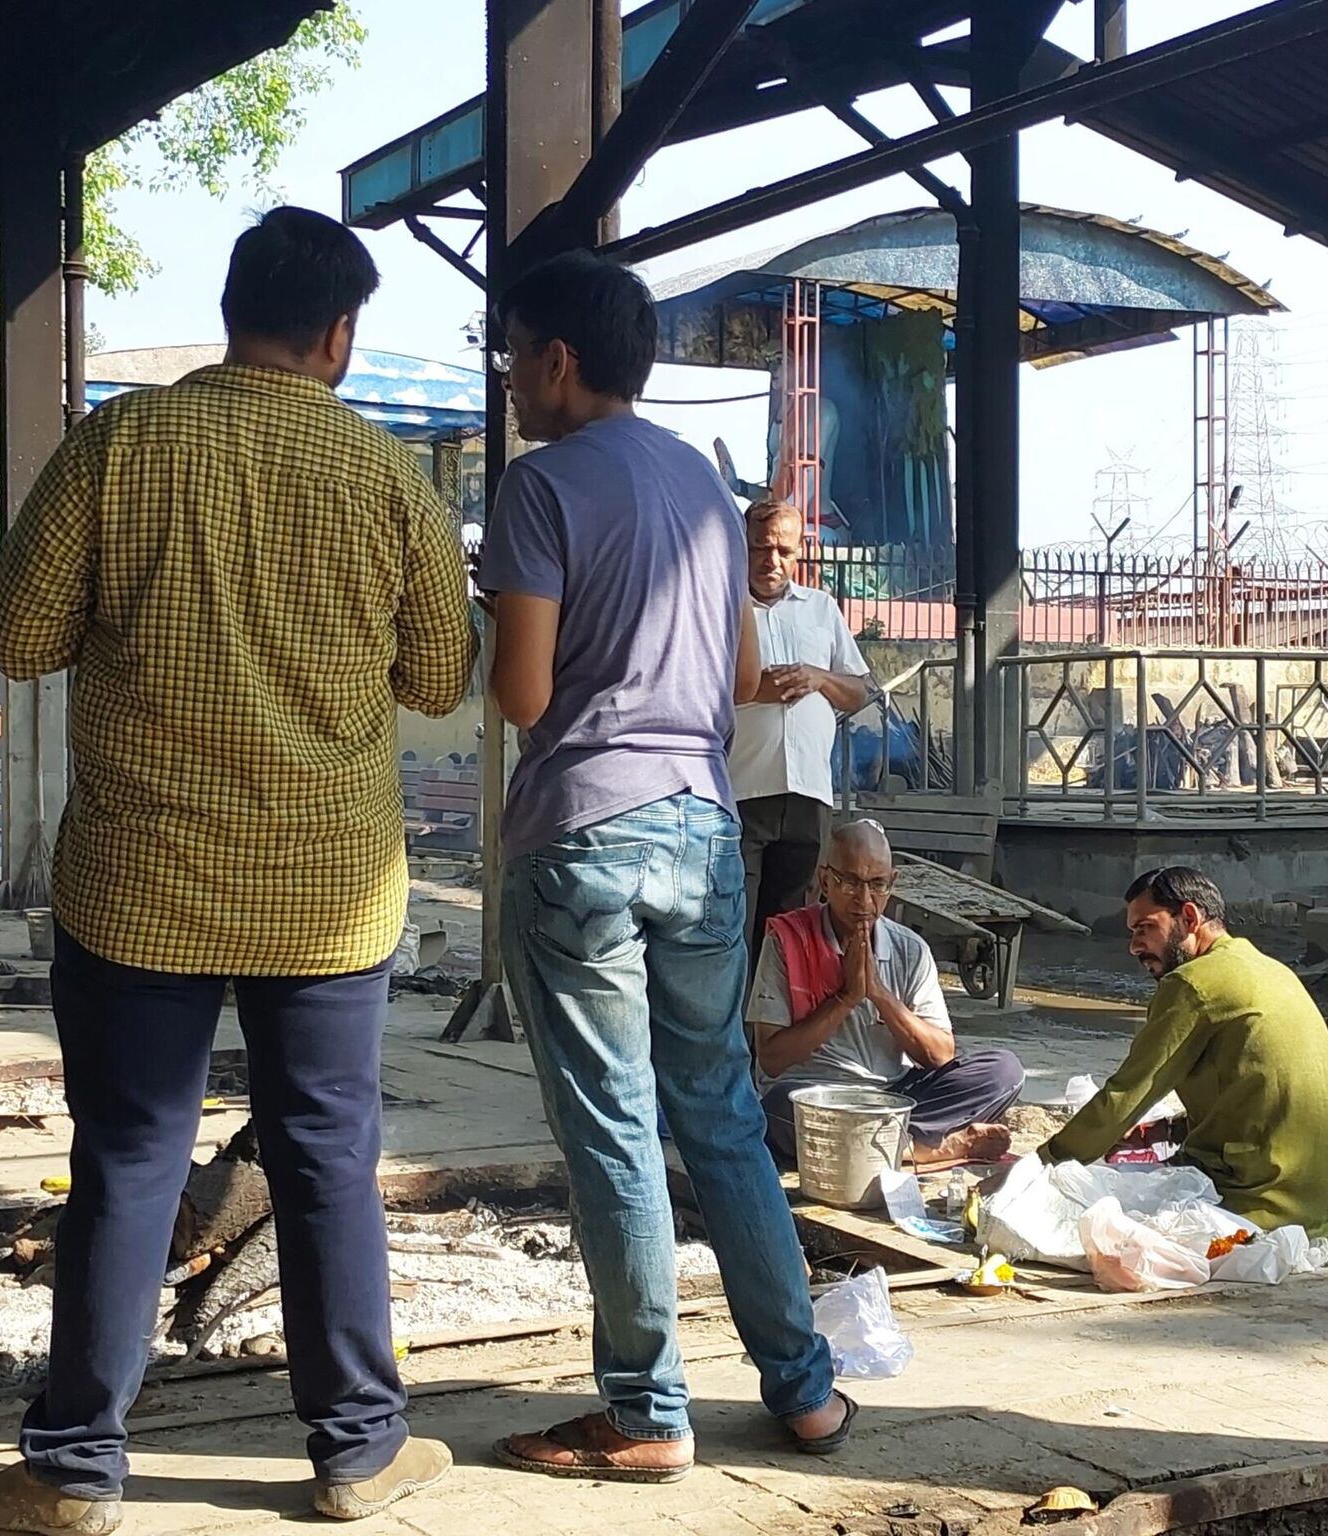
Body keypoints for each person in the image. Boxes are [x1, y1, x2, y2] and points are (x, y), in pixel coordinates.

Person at [0, 207, 472, 1535]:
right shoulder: (386, 480)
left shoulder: (118, 449)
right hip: (325, 891)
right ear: (339, 336)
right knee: (325, 1158)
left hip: (142, 879)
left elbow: (16, 638)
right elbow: (439, 673)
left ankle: (76, 1470)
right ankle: (357, 1453)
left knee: (130, 1159)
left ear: (235, 304)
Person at [478, 250, 851, 1483]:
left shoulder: (541, 489)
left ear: (558, 361)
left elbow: (523, 693)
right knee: (724, 1116)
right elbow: (743, 678)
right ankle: (804, 1393)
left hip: (583, 829)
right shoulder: (701, 481)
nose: (512, 379)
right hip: (702, 826)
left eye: (514, 354)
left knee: (615, 1127)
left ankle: (646, 1412)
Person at [1040, 866, 1328, 1250]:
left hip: (1258, 1203)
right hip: (1324, 1202)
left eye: (1145, 928)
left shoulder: (1192, 984)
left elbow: (1126, 1094)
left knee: (1077, 1210)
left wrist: (1042, 1164)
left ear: (1190, 918)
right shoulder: (1269, 968)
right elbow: (1253, 1094)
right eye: (1132, 933)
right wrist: (1169, 1131)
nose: (1135, 946)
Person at [751, 821, 1022, 1167]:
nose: (864, 900)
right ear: (824, 881)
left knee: (1003, 1071)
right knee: (777, 1112)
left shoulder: (910, 949)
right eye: (849, 883)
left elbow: (940, 1056)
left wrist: (878, 993)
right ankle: (931, 1146)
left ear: (892, 884)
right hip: (816, 1095)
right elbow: (771, 1059)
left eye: (877, 885)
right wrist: (845, 998)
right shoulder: (787, 941)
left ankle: (882, 1147)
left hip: (896, 1095)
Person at [732, 497, 873, 961]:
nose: (772, 561)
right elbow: (692, 685)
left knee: (790, 929)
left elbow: (858, 691)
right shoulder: (722, 607)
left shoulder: (820, 608)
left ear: (798, 553)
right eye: (760, 548)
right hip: (743, 789)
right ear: (742, 546)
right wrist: (754, 687)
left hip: (809, 794)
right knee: (736, 923)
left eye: (784, 551)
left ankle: (777, 1031)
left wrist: (819, 677)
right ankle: (734, 1032)